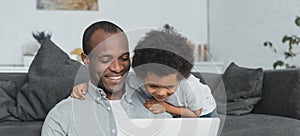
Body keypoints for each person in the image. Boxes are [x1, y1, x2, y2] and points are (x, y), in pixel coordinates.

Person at [35, 21, 282, 136]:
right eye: (105, 58)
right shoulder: (63, 113)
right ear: (86, 60)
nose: (117, 67)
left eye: (123, 57)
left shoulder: (148, 90)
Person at [71, 24, 216, 118]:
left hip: (201, 113)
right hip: (176, 110)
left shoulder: (189, 87)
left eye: (169, 87)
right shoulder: (136, 79)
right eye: (153, 86)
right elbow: (112, 83)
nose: (161, 93)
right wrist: (85, 87)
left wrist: (166, 107)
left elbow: (195, 114)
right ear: (143, 76)